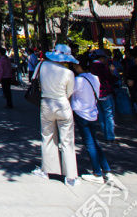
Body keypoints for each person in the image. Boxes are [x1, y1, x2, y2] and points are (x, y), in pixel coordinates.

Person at [32, 44, 79, 186]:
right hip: (63, 104)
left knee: (47, 137)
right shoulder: (68, 73)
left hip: (46, 103)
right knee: (67, 141)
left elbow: (34, 79)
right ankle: (70, 176)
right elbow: (70, 92)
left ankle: (47, 170)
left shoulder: (42, 66)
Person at [71, 55, 113, 184]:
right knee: (94, 141)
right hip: (93, 113)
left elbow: (68, 93)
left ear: (78, 66)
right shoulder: (94, 78)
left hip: (81, 113)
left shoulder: (78, 80)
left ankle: (97, 173)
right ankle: (105, 168)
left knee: (89, 143)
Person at [90, 49, 118, 144]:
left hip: (96, 94)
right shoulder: (102, 66)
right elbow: (109, 78)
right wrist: (112, 72)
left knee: (101, 115)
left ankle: (106, 135)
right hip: (105, 92)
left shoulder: (90, 66)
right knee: (109, 115)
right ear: (101, 58)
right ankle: (110, 137)